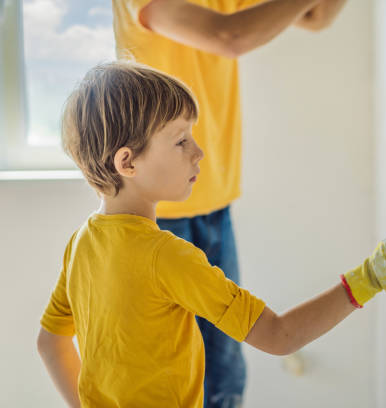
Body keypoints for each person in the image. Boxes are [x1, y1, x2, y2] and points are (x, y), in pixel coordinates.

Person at [36, 62, 386, 408]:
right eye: (180, 140)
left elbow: (50, 343)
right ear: (128, 162)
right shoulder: (168, 258)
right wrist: (371, 278)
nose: (199, 152)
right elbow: (279, 336)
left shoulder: (81, 244)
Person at [110, 1, 348, 405]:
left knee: (224, 374)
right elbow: (230, 36)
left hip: (212, 200)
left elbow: (317, 15)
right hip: (155, 216)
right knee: (169, 377)